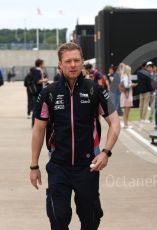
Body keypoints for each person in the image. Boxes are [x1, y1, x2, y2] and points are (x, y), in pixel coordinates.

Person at [29, 42, 120, 230]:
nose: (73, 65)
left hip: (87, 166)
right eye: (68, 61)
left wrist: (105, 152)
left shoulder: (95, 90)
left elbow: (115, 123)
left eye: (76, 60)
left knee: (91, 219)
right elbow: (38, 130)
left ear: (82, 62)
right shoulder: (49, 93)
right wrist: (34, 165)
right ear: (60, 64)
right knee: (58, 219)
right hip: (58, 166)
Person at [31, 58, 48, 127]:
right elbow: (36, 81)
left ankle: (34, 122)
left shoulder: (39, 70)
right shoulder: (37, 71)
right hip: (37, 92)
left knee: (38, 107)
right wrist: (44, 80)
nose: (44, 65)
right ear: (40, 64)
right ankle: (34, 123)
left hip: (39, 91)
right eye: (43, 63)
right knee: (36, 107)